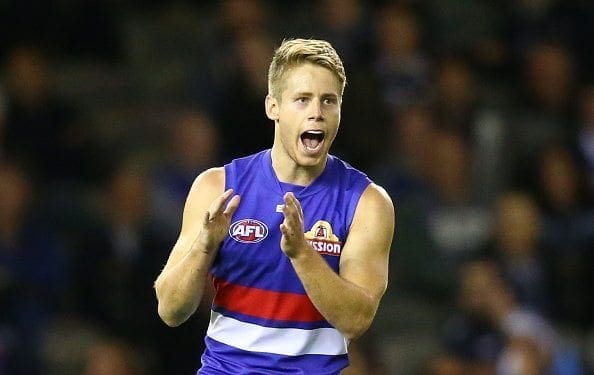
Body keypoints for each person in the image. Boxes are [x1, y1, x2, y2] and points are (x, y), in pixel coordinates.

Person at [154, 38, 395, 374]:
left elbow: (356, 320)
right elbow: (170, 310)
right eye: (303, 100)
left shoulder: (366, 202)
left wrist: (301, 253)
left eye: (329, 101)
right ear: (273, 107)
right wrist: (204, 246)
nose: (317, 113)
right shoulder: (217, 187)